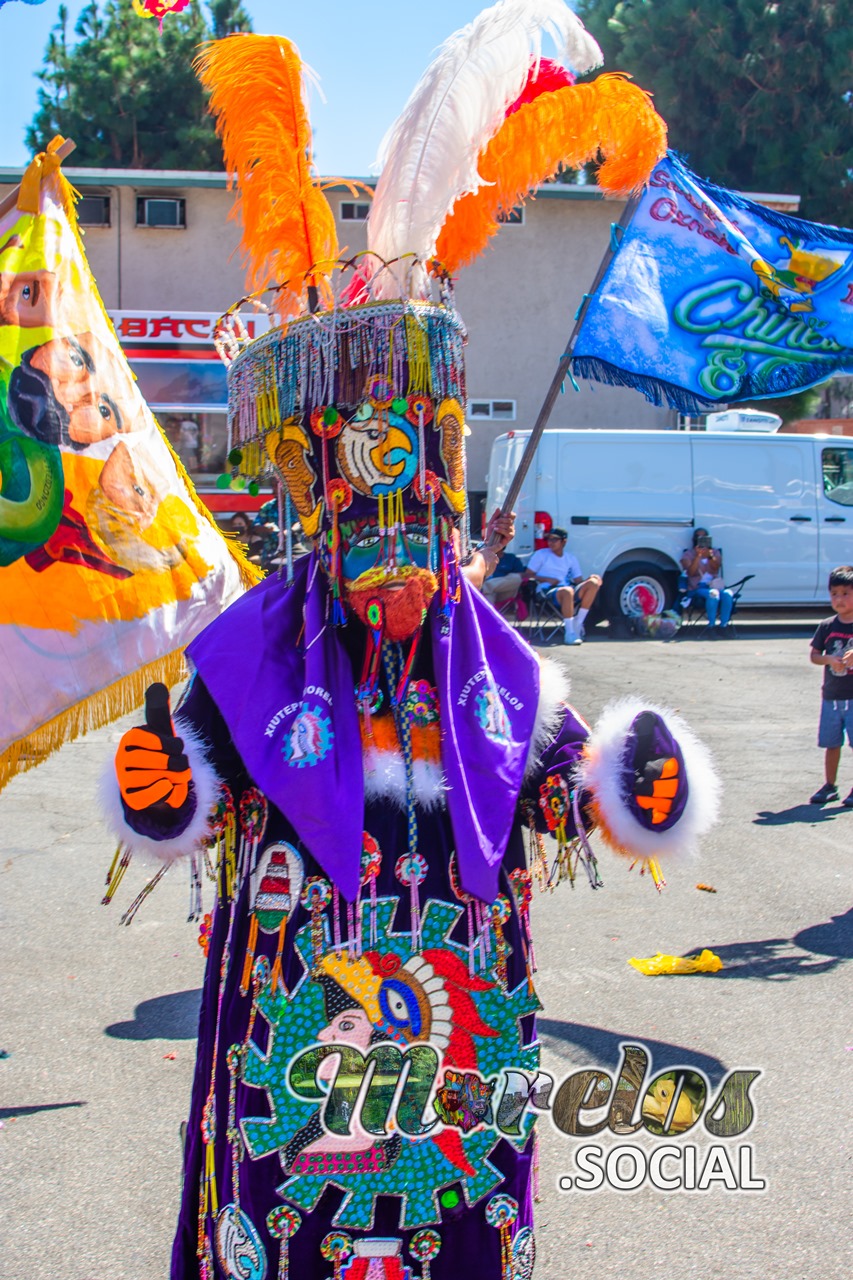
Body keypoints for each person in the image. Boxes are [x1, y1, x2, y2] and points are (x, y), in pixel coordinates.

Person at [101, 16, 709, 1280]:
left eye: (415, 489)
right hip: (301, 1058)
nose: (395, 549)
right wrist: (161, 783)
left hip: (454, 1062)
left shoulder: (486, 655)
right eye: (363, 498)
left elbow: (555, 772)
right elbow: (186, 782)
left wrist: (630, 780)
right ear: (318, 495)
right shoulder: (258, 646)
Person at [808, 565, 853, 806]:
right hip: (832, 696)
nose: (839, 599)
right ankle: (830, 785)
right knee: (831, 743)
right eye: (834, 593)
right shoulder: (827, 626)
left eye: (846, 593)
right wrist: (827, 659)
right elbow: (814, 656)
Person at [523, 529, 601, 645]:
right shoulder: (541, 554)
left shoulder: (570, 558)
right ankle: (569, 633)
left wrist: (591, 578)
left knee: (594, 583)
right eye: (549, 539)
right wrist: (547, 579)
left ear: (564, 541)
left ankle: (578, 624)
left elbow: (578, 581)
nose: (551, 542)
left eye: (555, 539)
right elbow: (527, 574)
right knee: (567, 591)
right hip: (547, 590)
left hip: (567, 589)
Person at [679, 528, 735, 634]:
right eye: (698, 537)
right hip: (697, 587)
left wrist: (710, 556)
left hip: (714, 585)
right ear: (693, 539)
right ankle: (711, 627)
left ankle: (724, 626)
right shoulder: (688, 554)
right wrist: (698, 556)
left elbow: (716, 567)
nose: (700, 539)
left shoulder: (714, 552)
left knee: (728, 594)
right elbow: (690, 573)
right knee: (713, 594)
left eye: (704, 537)